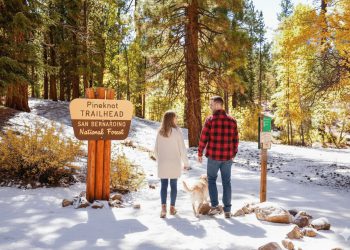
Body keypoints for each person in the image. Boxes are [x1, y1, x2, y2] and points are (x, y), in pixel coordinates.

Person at [197, 96, 239, 218]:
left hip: (214, 157)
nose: (210, 106)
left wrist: (200, 152)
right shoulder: (232, 121)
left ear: (217, 104)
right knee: (227, 182)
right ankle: (227, 210)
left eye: (211, 104)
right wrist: (233, 154)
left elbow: (203, 137)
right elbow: (236, 140)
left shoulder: (210, 120)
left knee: (211, 180)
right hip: (227, 158)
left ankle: (215, 206)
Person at [154, 110, 189, 218]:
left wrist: (159, 159)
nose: (177, 119)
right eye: (175, 117)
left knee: (163, 186)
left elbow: (155, 150)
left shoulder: (160, 132)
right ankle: (172, 208)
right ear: (171, 119)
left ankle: (163, 209)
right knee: (173, 186)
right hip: (174, 163)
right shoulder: (177, 131)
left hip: (163, 163)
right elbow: (182, 149)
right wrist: (186, 163)